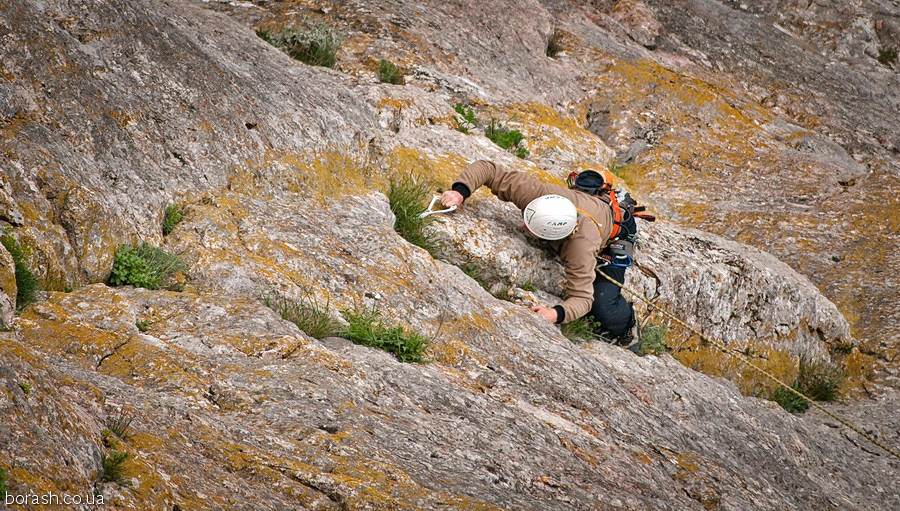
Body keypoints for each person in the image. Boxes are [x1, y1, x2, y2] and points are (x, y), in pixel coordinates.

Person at [439, 160, 638, 344]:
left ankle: (629, 324)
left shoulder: (580, 245)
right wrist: (460, 192)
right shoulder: (539, 194)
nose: (523, 227)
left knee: (604, 306)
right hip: (586, 201)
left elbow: (583, 299)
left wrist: (555, 314)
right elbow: (488, 169)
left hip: (616, 229)